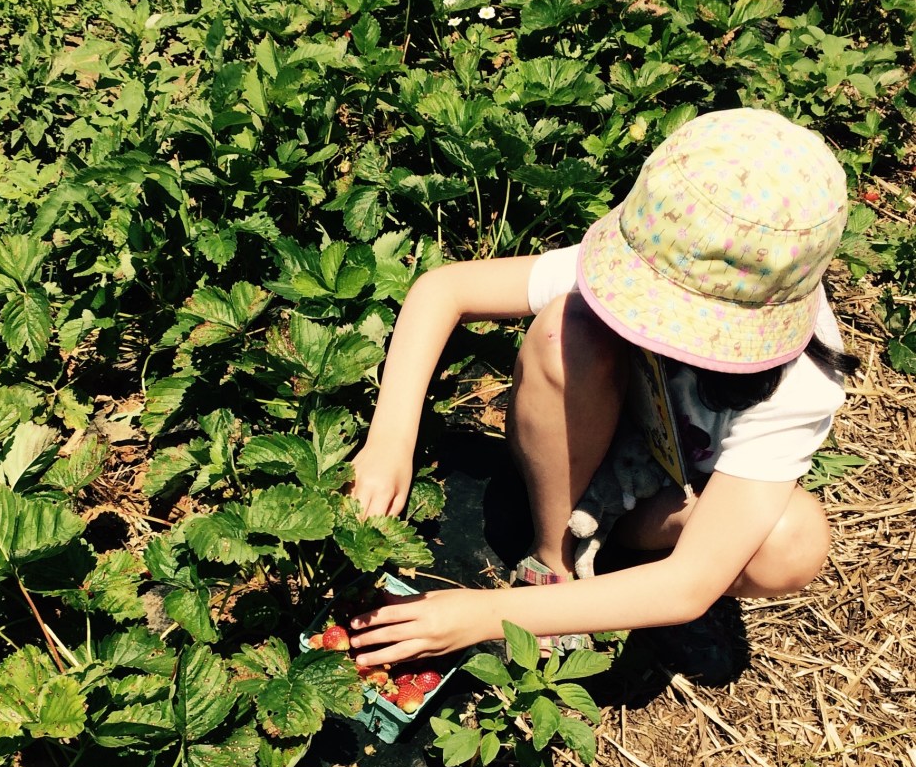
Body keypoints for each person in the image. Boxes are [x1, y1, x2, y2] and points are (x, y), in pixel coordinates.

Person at [346, 107, 858, 669]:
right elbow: (444, 290)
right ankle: (553, 557)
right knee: (565, 330)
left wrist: (480, 615)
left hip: (673, 502)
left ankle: (600, 578)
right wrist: (390, 441)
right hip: (576, 443)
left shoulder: (800, 383)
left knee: (792, 542)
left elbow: (689, 586)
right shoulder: (671, 248)